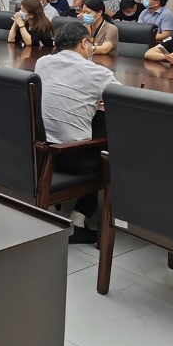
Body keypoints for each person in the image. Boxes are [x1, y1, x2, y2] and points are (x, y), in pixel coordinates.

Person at [35, 23, 120, 244]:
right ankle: (78, 219)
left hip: (40, 153)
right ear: (84, 42)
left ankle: (52, 208)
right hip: (73, 160)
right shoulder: (99, 73)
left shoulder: (42, 62)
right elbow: (123, 101)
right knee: (110, 154)